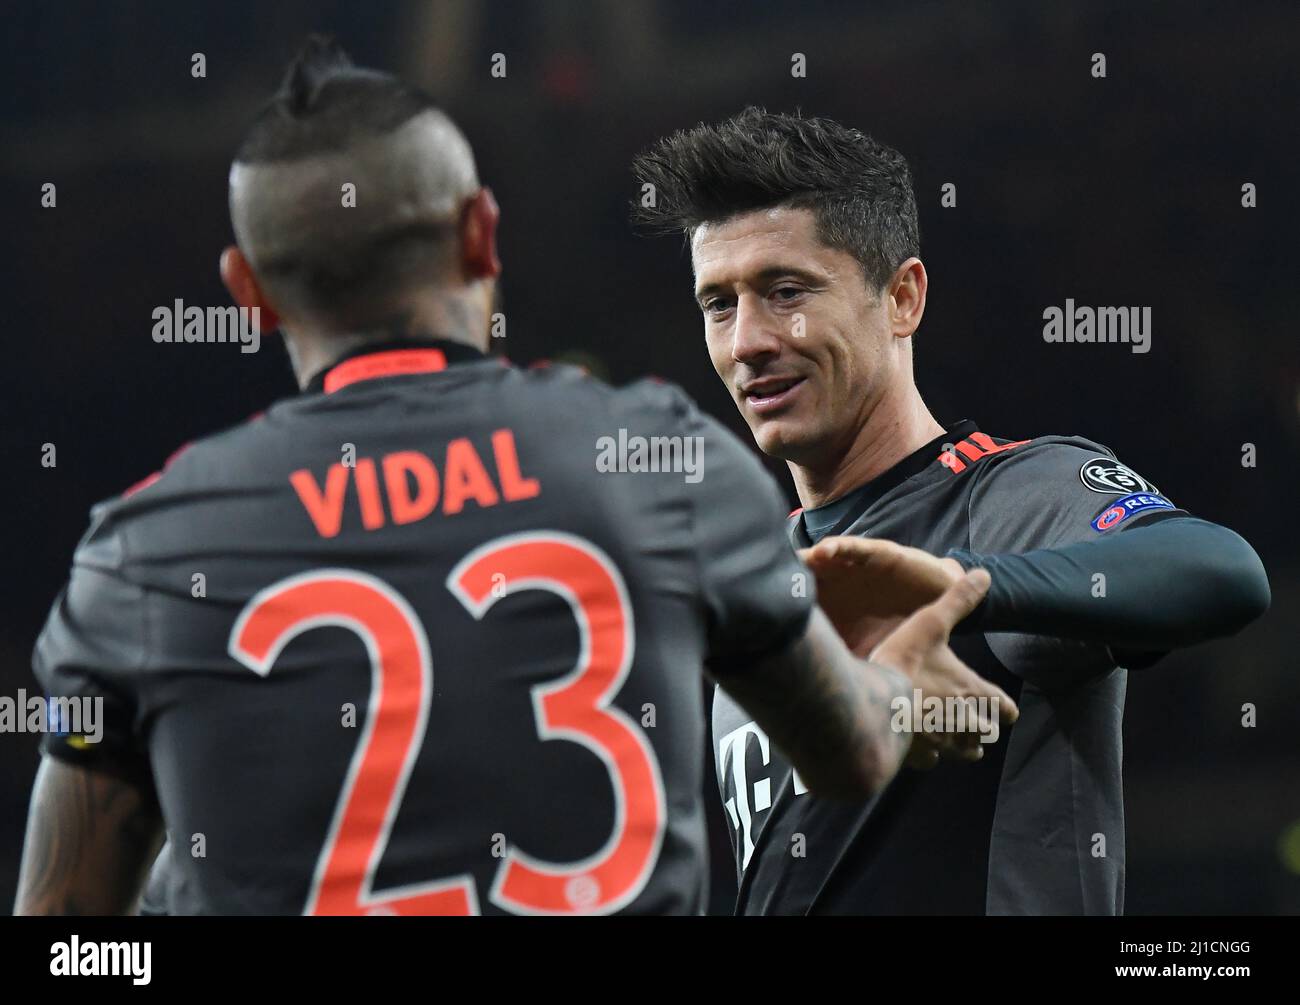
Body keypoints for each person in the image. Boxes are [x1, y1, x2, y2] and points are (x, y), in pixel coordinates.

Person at [15, 41, 1012, 917]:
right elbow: (849, 753)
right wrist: (893, 687)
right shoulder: (664, 466)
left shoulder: (140, 556)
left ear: (247, 291)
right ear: (481, 232)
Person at [632, 107, 1270, 915]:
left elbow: (1221, 570)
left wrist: (962, 585)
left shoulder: (1007, 497)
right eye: (718, 304)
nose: (748, 339)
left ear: (902, 298)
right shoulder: (766, 587)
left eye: (785, 290)